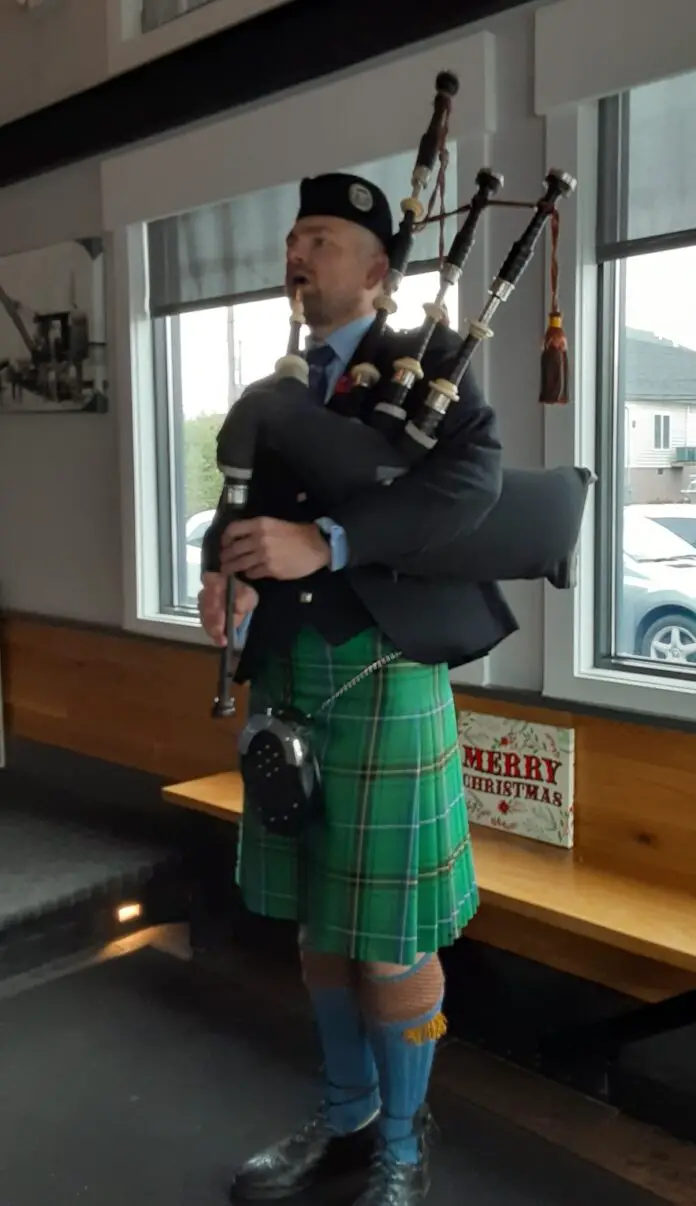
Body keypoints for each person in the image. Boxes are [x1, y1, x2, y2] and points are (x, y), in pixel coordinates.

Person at [198, 171, 517, 1206]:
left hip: (385, 678)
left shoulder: (429, 368)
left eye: (324, 239)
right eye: (295, 238)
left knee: (390, 943)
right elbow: (246, 501)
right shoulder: (284, 377)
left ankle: (405, 1145)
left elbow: (471, 486)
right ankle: (345, 1120)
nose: (300, 254)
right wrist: (225, 568)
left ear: (379, 271)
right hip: (289, 672)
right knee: (320, 925)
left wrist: (328, 540)